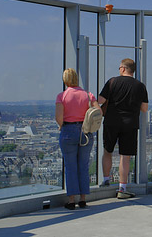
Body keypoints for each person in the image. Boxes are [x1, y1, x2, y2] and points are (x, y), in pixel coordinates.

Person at [98, 58, 149, 199]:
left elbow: (100, 101)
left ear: (123, 68)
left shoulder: (112, 82)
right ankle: (122, 188)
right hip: (130, 124)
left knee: (107, 151)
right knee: (125, 157)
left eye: (120, 67)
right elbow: (144, 109)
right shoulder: (140, 86)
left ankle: (106, 180)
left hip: (111, 122)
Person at [55, 68, 100, 210]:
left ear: (65, 80)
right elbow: (98, 111)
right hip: (85, 131)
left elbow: (58, 117)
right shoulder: (88, 95)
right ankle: (83, 199)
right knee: (83, 165)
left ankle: (71, 200)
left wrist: (62, 126)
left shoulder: (62, 96)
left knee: (70, 166)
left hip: (68, 131)